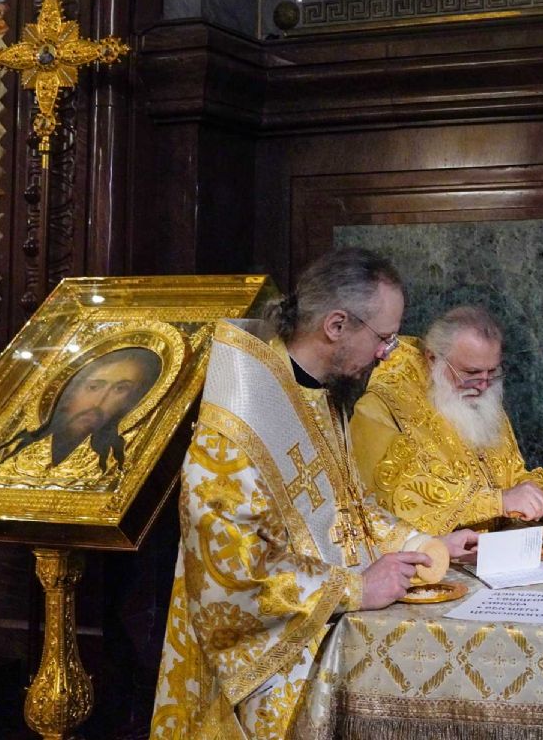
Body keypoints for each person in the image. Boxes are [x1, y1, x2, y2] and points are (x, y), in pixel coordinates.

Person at [151, 248, 478, 739]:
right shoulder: (241, 417)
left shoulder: (321, 393)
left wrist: (421, 544)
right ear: (336, 325)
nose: (388, 354)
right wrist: (355, 589)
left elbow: (347, 511)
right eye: (384, 338)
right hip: (258, 672)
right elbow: (234, 576)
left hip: (324, 635)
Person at [351, 305, 543, 535]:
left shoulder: (478, 395)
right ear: (433, 358)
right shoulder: (382, 407)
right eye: (472, 372)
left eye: (492, 371)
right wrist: (497, 502)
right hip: (435, 557)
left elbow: (508, 475)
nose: (484, 385)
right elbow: (393, 498)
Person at [0, 347, 161, 488]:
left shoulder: (115, 461)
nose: (98, 403)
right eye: (93, 387)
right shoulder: (14, 454)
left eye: (120, 389)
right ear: (69, 393)